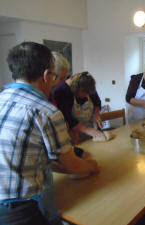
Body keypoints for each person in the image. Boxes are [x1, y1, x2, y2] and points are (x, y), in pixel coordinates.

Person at [0, 42, 100, 225]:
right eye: (56, 76)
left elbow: (28, 157)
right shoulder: (46, 111)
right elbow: (73, 166)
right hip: (20, 209)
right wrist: (91, 167)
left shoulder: (2, 99)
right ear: (46, 75)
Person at [52, 71, 104, 143]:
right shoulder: (62, 91)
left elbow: (97, 102)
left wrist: (96, 114)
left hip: (90, 134)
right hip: (73, 136)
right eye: (85, 93)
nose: (87, 95)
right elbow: (67, 118)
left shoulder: (88, 86)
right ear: (76, 89)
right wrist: (88, 130)